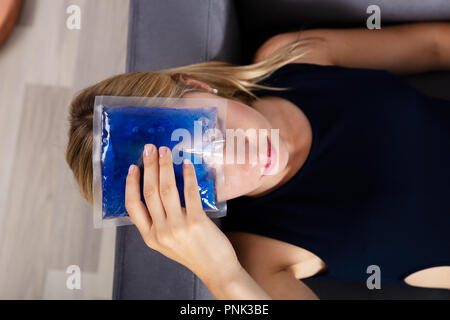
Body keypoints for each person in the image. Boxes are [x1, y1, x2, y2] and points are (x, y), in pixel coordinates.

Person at [66, 22, 450, 299]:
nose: (239, 158)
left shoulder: (297, 56)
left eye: (208, 132)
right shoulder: (258, 256)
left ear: (198, 86)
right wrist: (220, 273)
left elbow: (434, 45)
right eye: (203, 177)